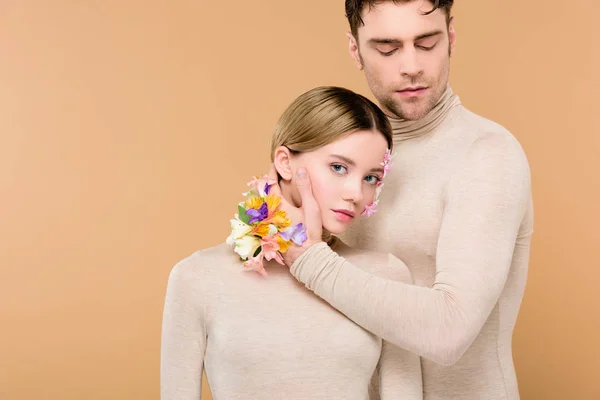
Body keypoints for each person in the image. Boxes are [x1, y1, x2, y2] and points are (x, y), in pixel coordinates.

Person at [274, 1, 534, 399]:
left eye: (426, 43)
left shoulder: (487, 154)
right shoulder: (338, 155)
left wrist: (309, 260)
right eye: (387, 48)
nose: (410, 65)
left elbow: (451, 330)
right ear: (355, 49)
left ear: (450, 37)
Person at [160, 86, 423, 399]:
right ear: (284, 162)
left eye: (371, 178)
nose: (356, 192)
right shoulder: (198, 277)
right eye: (339, 167)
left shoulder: (386, 275)